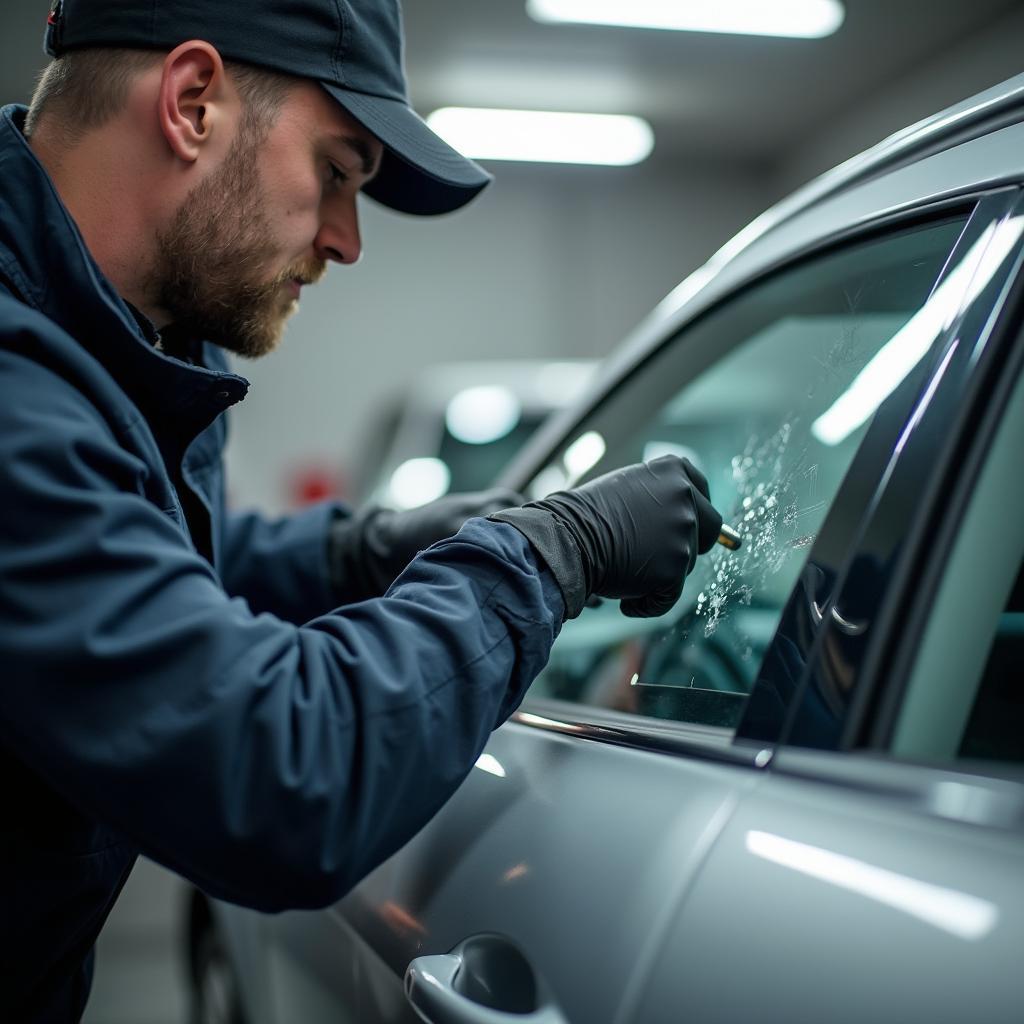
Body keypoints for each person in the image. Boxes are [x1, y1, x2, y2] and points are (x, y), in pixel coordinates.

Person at [0, 0, 723, 1019]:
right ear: (193, 101)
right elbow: (272, 775)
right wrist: (550, 550)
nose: (346, 240)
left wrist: (365, 551)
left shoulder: (133, 346)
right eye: (336, 172)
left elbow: (169, 565)